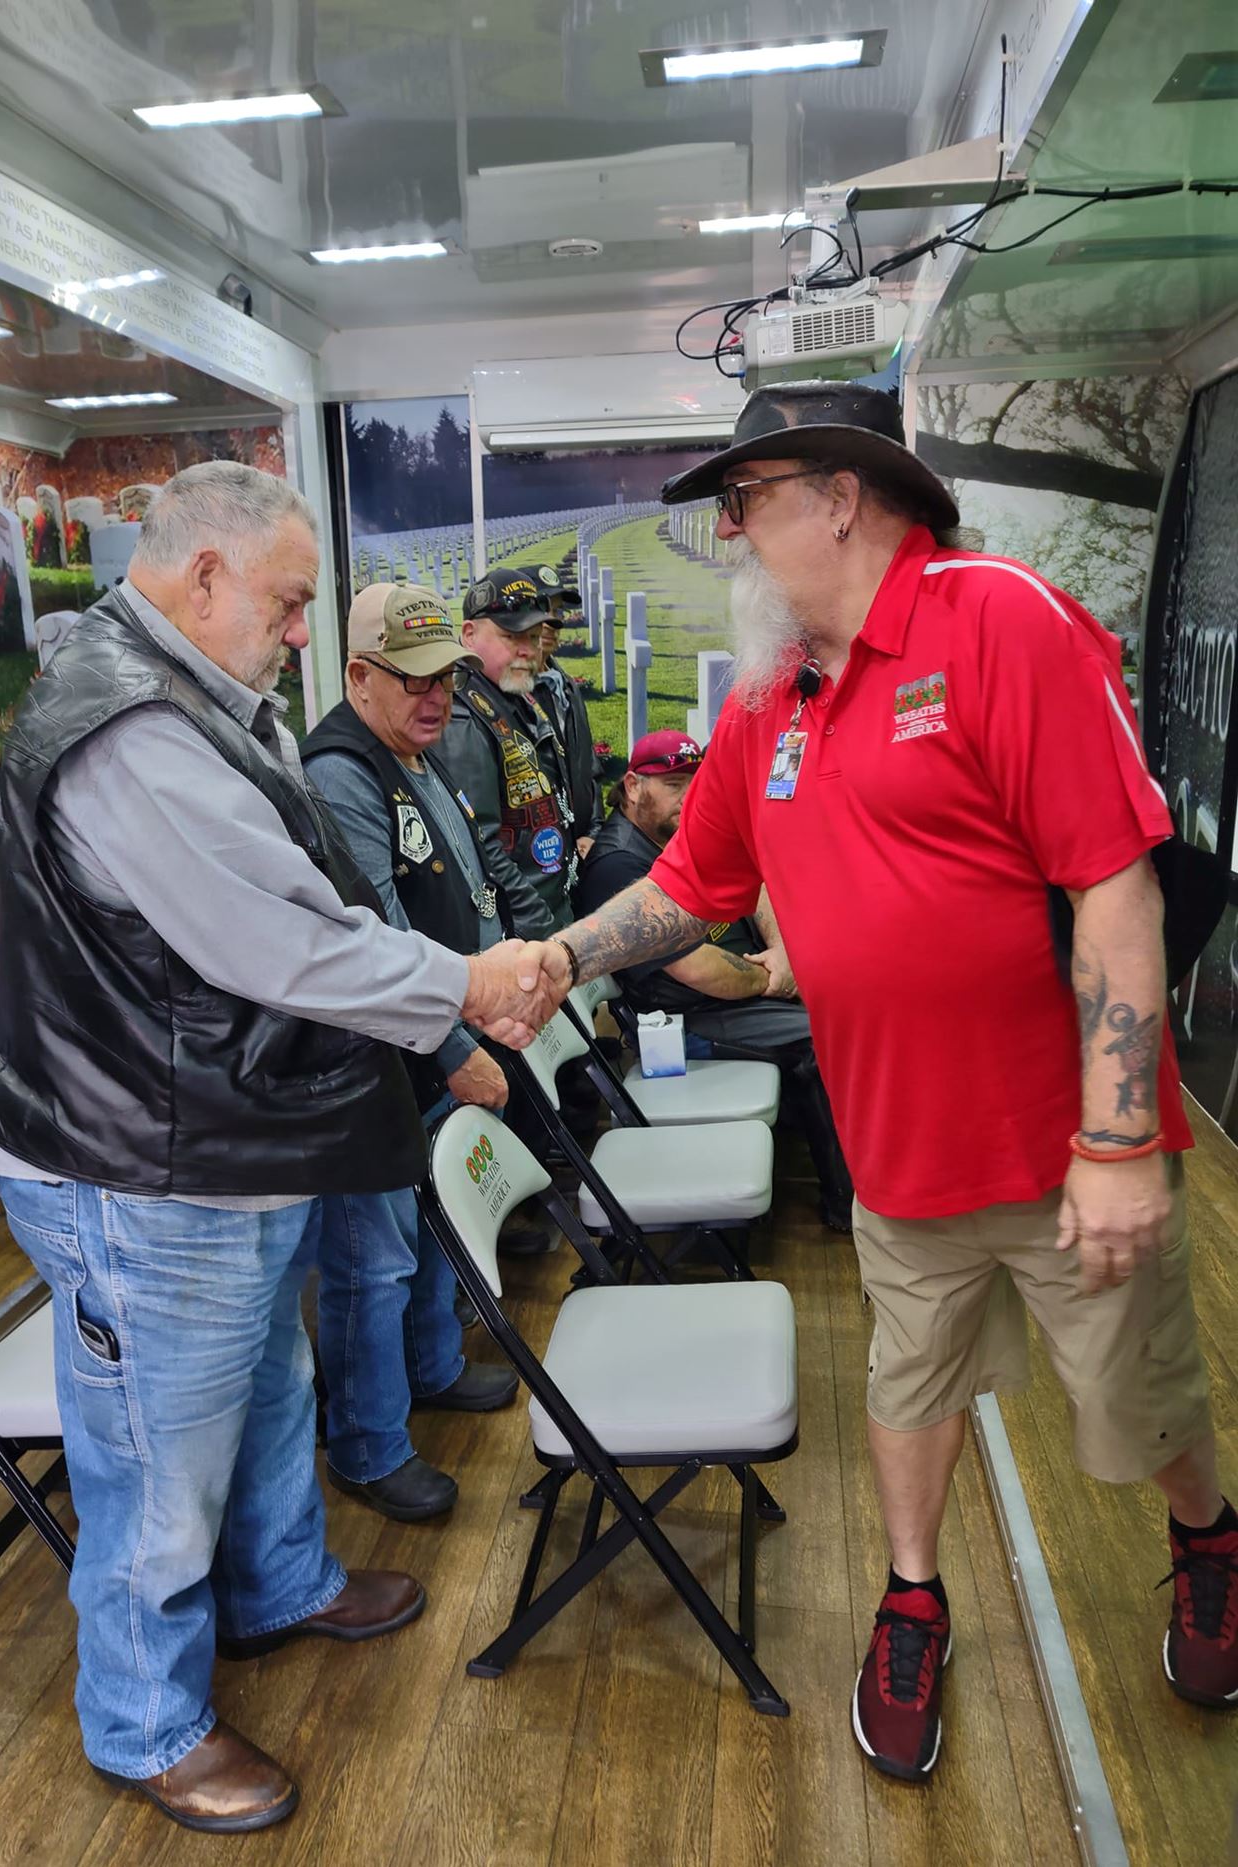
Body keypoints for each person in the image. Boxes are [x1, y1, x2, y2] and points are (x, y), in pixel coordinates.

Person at [544, 383, 1237, 1783]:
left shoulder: (999, 621)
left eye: (744, 503)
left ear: (840, 497)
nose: (730, 535)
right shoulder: (771, 704)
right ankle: (911, 1594)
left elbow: (1114, 880)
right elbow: (692, 885)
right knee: (907, 1382)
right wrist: (556, 953)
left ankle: (1207, 1533)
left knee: (1138, 1397)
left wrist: (1115, 1137)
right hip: (896, 1147)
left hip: (1061, 1151)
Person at [0, 462, 560, 1833]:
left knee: (270, 1381)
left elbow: (302, 900)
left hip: (210, 1133)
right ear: (206, 575)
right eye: (293, 603)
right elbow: (277, 938)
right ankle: (145, 1722)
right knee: (156, 1466)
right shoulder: (126, 725)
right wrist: (467, 986)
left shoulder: (190, 692)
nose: (307, 633)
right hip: (133, 1153)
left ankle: (284, 1578)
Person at [297, 581, 519, 1523]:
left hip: (425, 1046)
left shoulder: (414, 754)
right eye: (416, 679)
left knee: (432, 1226)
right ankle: (368, 1445)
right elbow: (375, 934)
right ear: (357, 675)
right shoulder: (341, 771)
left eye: (451, 678)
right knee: (369, 1260)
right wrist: (459, 1039)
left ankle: (430, 1367)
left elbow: (465, 889)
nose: (440, 699)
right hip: (365, 1064)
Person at [578, 727, 853, 1231]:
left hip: (734, 991)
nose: (690, 795)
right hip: (686, 1021)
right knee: (823, 1037)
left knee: (841, 993)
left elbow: (755, 878)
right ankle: (848, 1206)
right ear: (634, 786)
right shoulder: (618, 863)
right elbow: (695, 969)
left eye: (695, 781)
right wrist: (773, 980)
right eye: (676, 784)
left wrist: (782, 952)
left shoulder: (674, 831)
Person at [439, 572, 577, 936]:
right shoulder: (464, 717)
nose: (527, 650)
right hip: (517, 931)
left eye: (533, 638)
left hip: (551, 907)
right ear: (469, 635)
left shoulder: (518, 695)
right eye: (511, 637)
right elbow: (480, 844)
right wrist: (541, 927)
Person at [525, 563, 603, 856]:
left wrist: (593, 830)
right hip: (543, 852)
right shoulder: (511, 694)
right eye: (541, 609)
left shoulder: (566, 685)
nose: (551, 621)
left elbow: (588, 765)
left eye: (557, 612)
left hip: (582, 845)